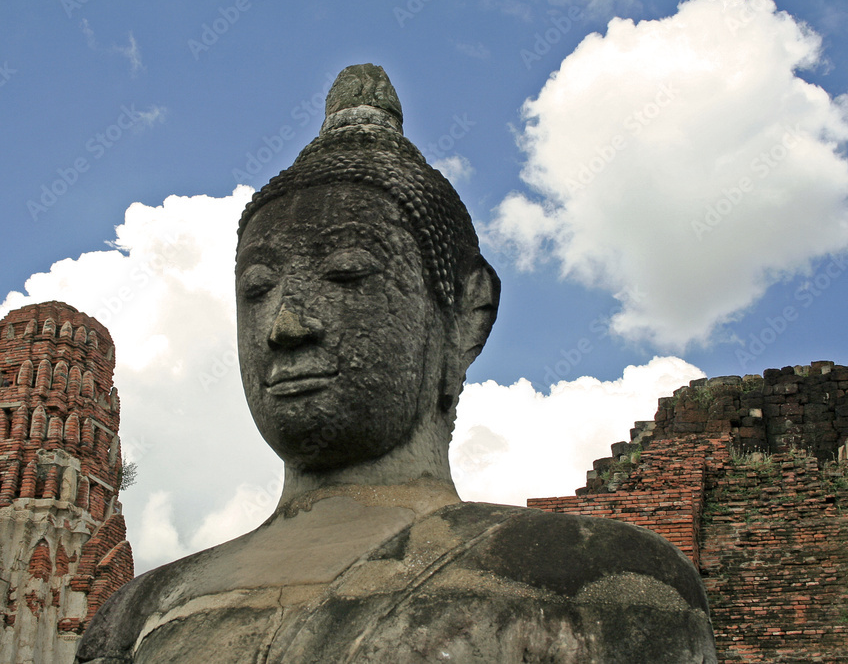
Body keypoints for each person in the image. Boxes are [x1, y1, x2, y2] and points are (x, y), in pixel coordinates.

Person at [76, 64, 717, 663]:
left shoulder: (596, 584)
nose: (285, 326)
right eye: (257, 288)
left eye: (347, 272)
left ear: (467, 315)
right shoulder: (136, 618)